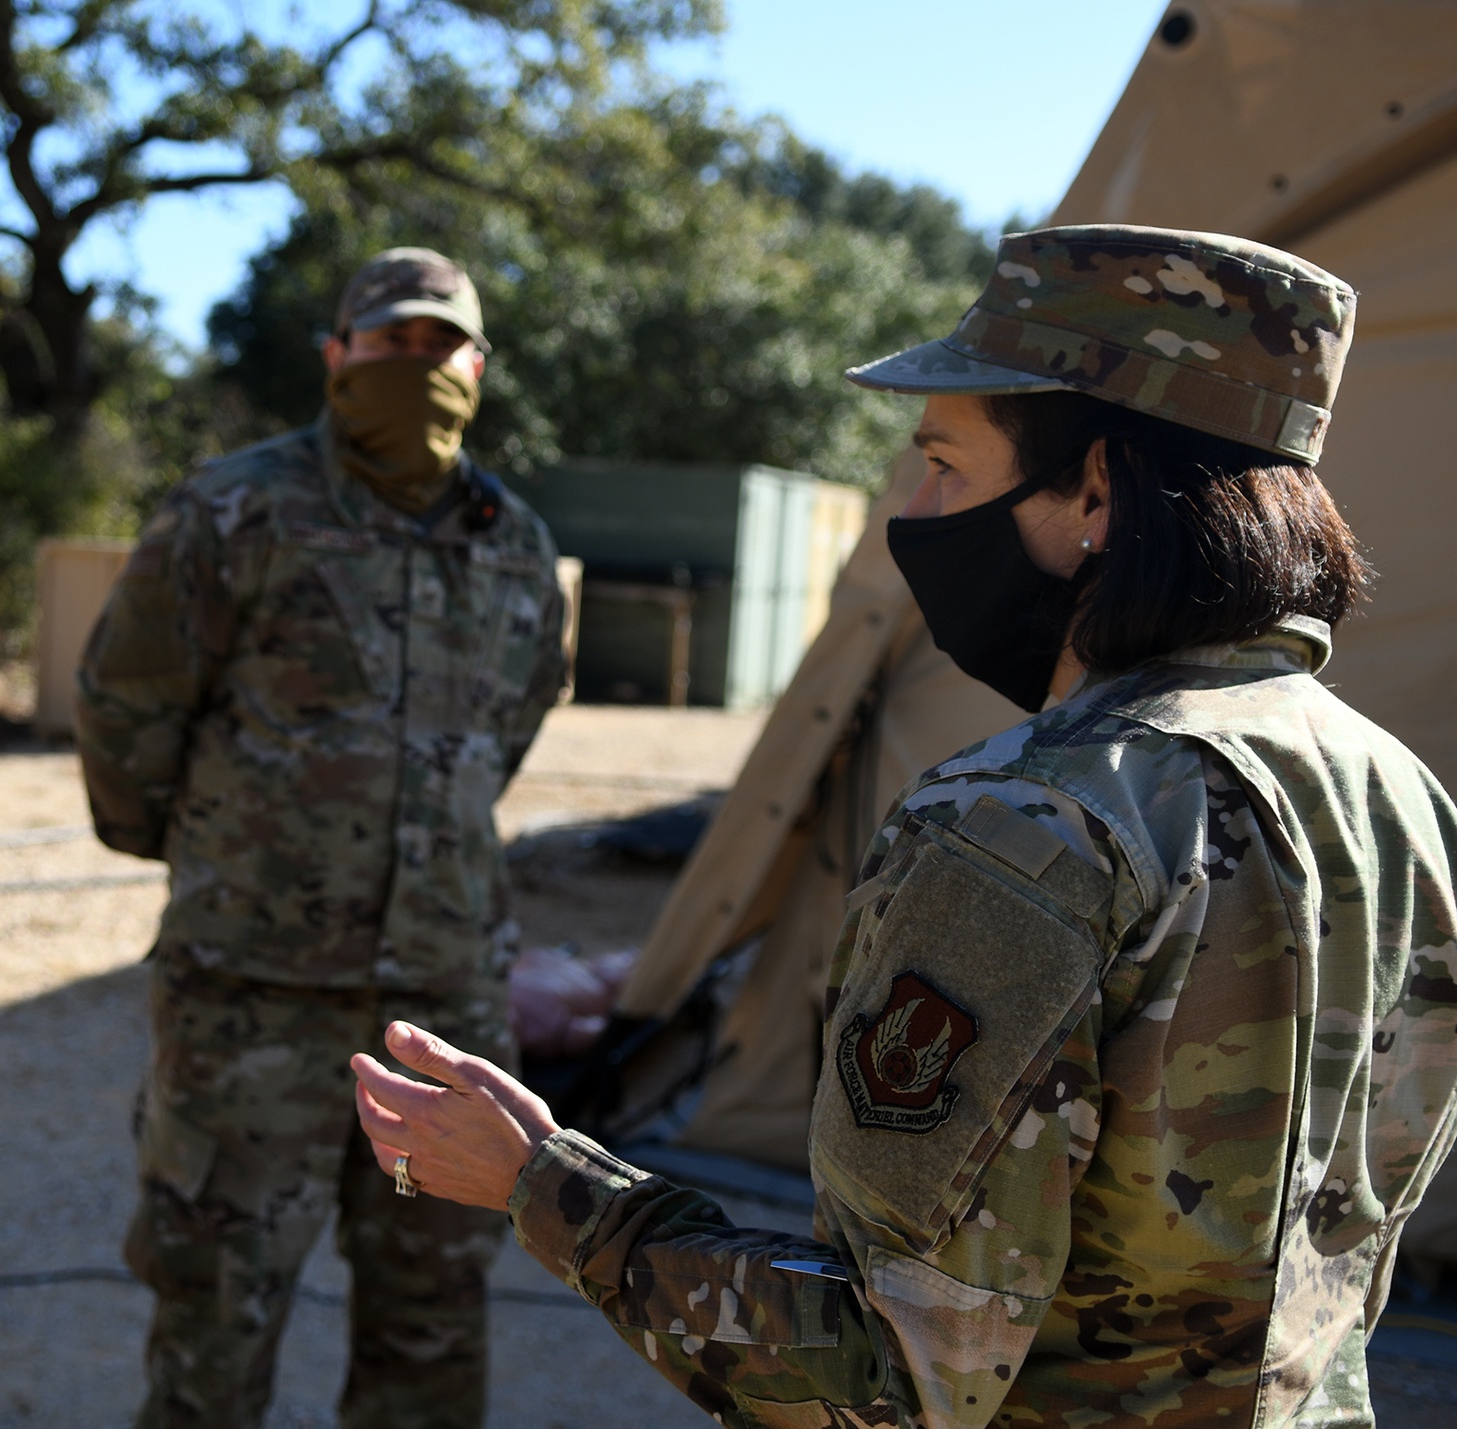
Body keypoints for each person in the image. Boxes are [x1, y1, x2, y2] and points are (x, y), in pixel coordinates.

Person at [352, 225, 1457, 1426]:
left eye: (943, 464)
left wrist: (542, 1183)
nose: (917, 511)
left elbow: (886, 1379)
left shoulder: (1022, 824)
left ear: (1095, 487)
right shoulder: (1396, 794)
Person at [76, 247, 566, 1428]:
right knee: (214, 1320)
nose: (416, 364)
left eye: (439, 345)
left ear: (478, 366)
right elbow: (125, 711)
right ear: (337, 356)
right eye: (389, 341)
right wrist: (231, 865)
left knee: (431, 1318)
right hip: (250, 1004)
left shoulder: (515, 545)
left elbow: (505, 730)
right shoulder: (231, 511)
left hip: (437, 1016)